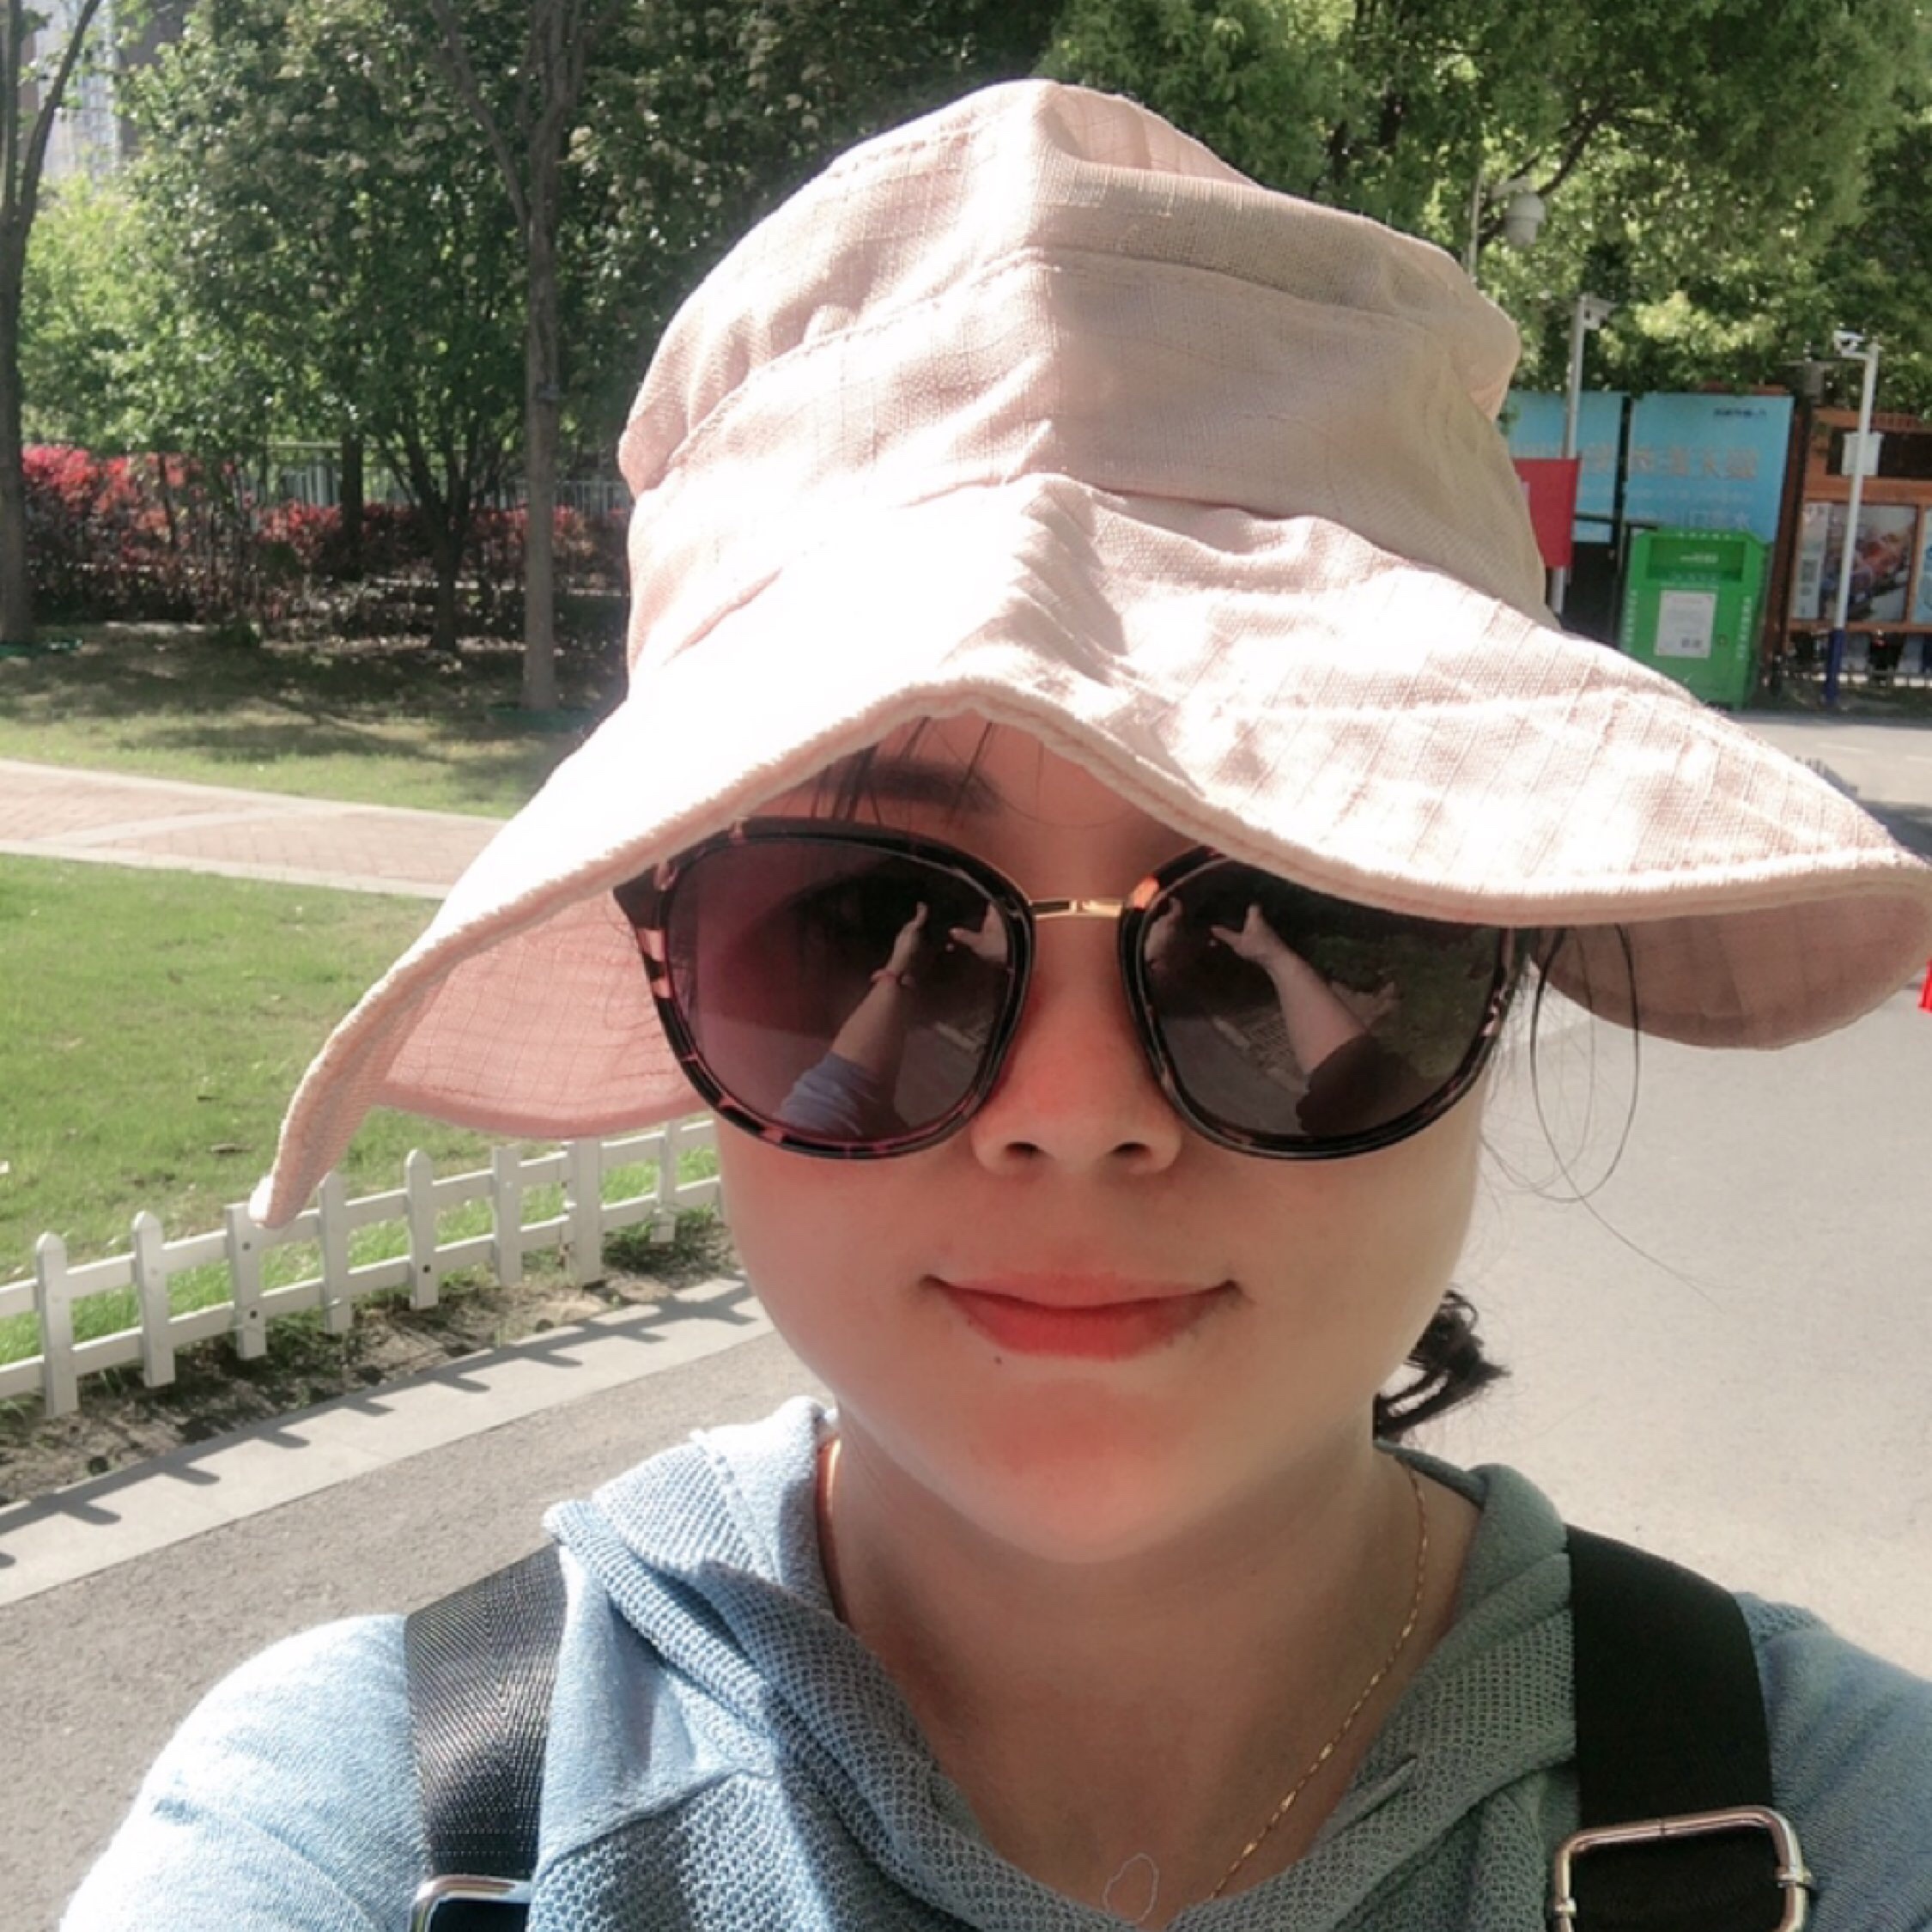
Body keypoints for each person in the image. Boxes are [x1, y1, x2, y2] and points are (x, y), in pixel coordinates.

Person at [65, 80, 1932, 1932]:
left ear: (1504, 950)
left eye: (1295, 912)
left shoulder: (1851, 1823)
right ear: (668, 955)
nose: (1074, 1107)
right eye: (860, 917)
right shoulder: (369, 1830)